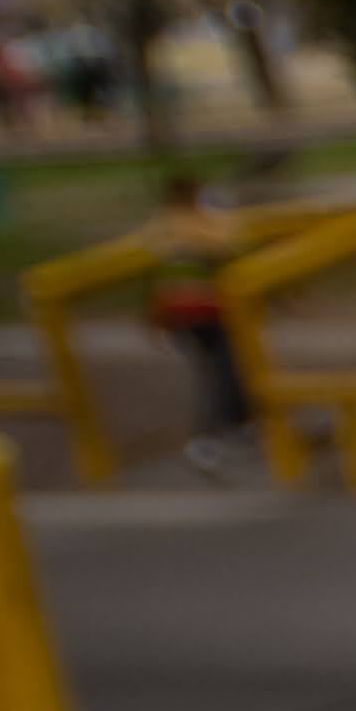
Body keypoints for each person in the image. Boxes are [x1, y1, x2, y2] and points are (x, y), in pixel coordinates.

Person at [142, 172, 254, 481]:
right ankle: (210, 436)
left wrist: (153, 319)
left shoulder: (163, 224)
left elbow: (156, 272)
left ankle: (239, 421)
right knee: (222, 371)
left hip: (178, 312)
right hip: (208, 309)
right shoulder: (206, 223)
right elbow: (229, 245)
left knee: (221, 368)